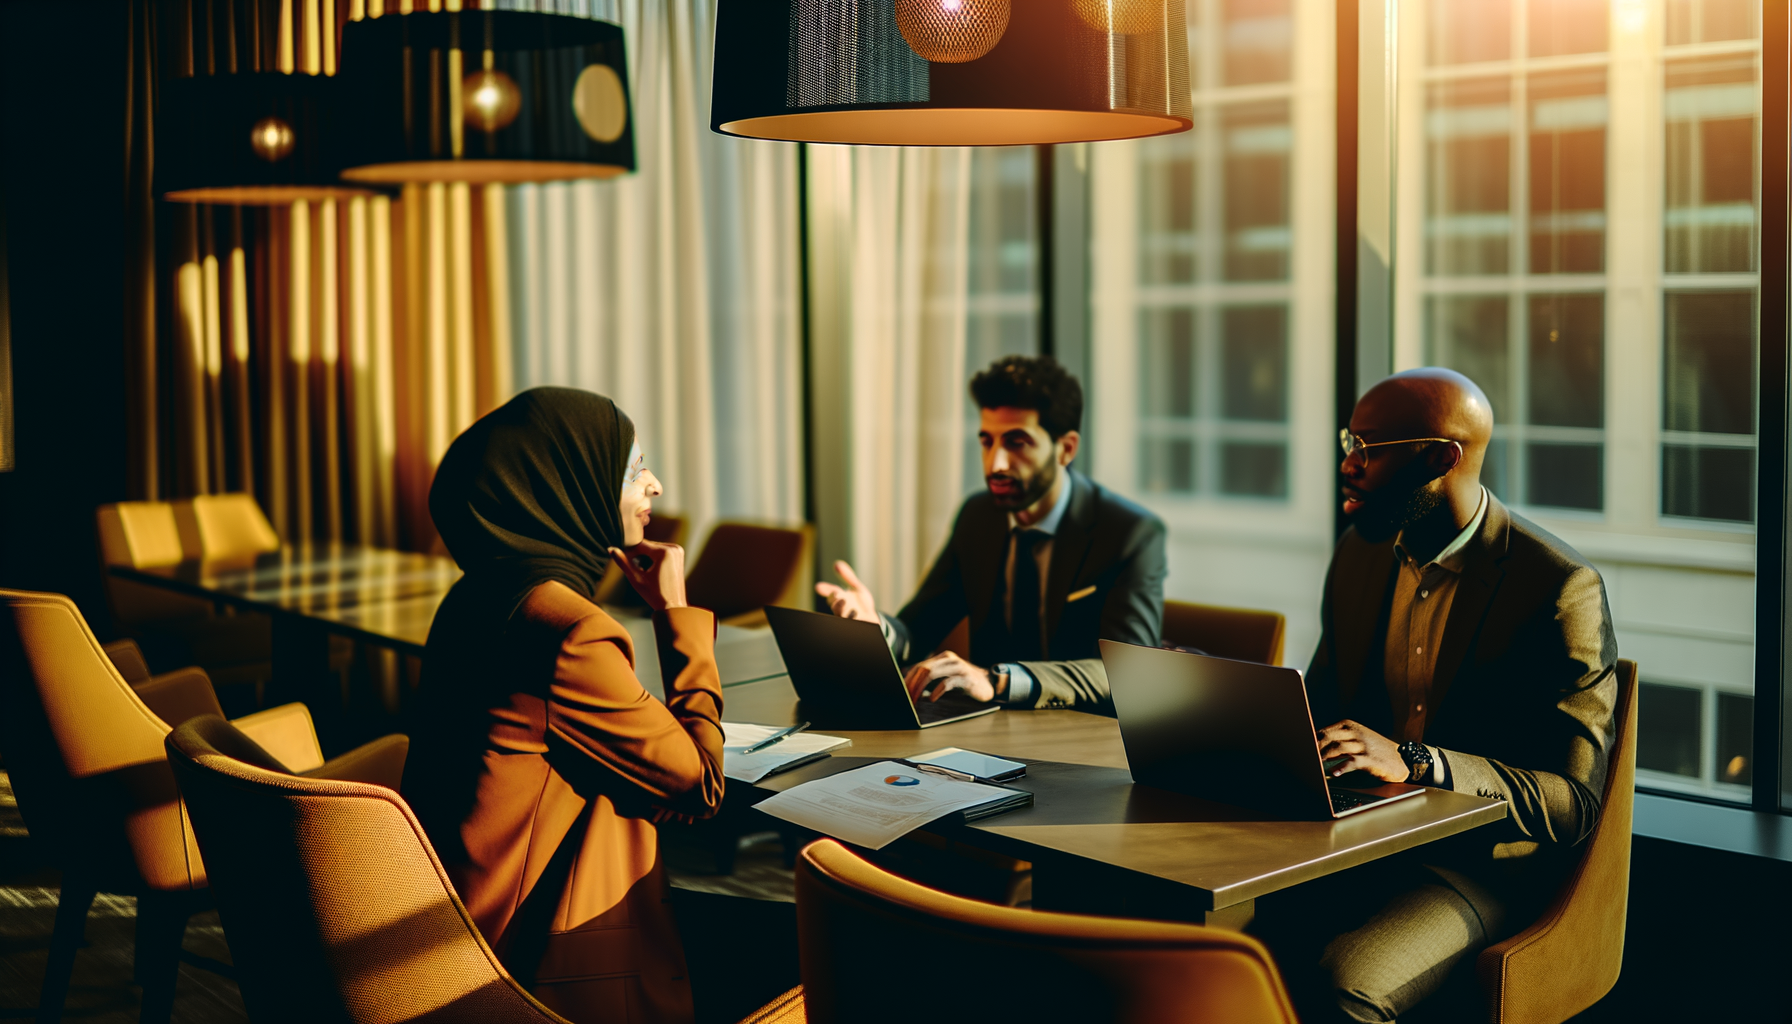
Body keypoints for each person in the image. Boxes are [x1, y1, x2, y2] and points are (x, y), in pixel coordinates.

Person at [1259, 368, 1618, 1023]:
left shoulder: (1559, 588)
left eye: (1367, 448)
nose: (1348, 465)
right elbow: (1322, 707)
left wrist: (1417, 762)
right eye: (1348, 442)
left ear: (1442, 458)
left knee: (1347, 984)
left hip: (1476, 867)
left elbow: (1574, 804)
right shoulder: (1360, 554)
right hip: (1356, 837)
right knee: (1203, 936)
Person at [402, 388, 724, 1024]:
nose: (655, 485)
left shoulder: (476, 596)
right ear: (566, 484)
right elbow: (701, 784)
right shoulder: (568, 631)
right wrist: (676, 613)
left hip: (452, 921)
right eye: (634, 469)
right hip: (529, 964)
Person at [817, 355, 1166, 716]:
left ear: (1066, 449)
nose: (995, 464)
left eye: (1017, 443)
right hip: (989, 732)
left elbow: (1130, 672)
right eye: (987, 442)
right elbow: (919, 630)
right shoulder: (978, 517)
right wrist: (876, 629)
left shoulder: (1130, 533)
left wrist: (998, 680)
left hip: (1086, 735)